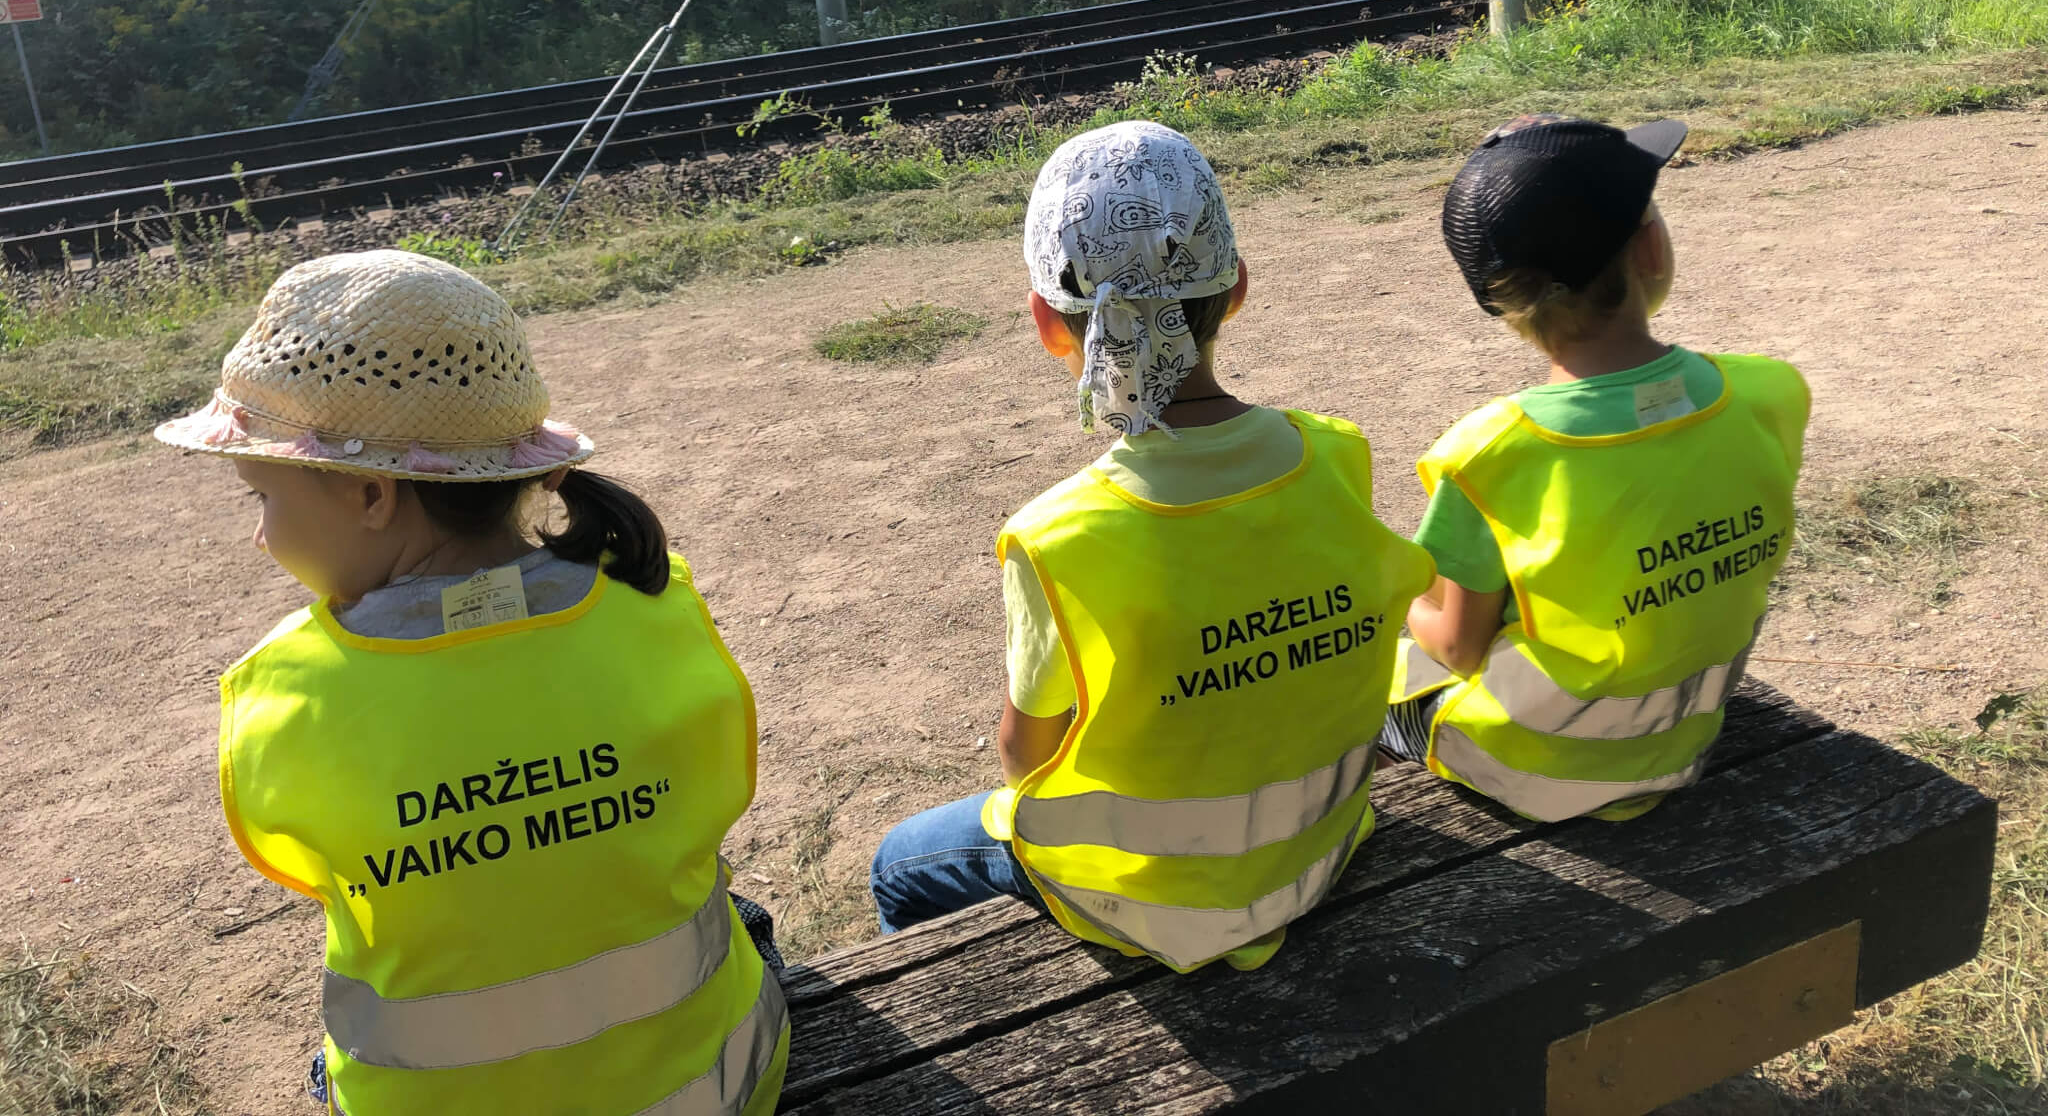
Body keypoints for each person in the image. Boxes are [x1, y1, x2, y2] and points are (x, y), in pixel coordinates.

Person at [155, 249, 786, 1116]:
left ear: (372, 496)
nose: (261, 536)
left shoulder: (286, 692)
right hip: (719, 1093)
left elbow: (327, 874)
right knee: (735, 915)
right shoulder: (657, 605)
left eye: (259, 497)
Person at [869, 121, 1435, 972]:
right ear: (1236, 288)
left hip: (1154, 902)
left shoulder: (1057, 538)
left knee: (898, 863)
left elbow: (1025, 759)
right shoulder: (1336, 453)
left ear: (1047, 322)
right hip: (1322, 845)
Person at [1382, 114, 1810, 823]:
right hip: (1689, 728)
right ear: (1650, 249)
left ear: (1500, 300)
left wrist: (1394, 588)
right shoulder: (1769, 392)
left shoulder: (1492, 453)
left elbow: (1457, 647)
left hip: (1543, 765)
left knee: (1374, 676)